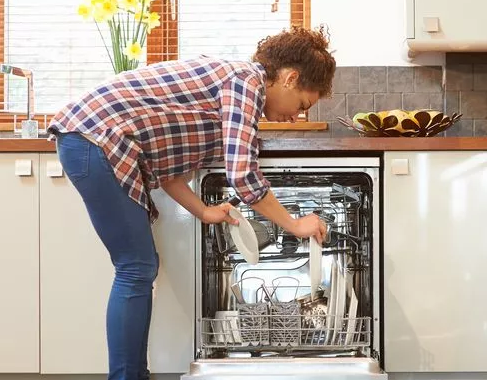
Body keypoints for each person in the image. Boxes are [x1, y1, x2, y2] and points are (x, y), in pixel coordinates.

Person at [46, 25, 335, 380]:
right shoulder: (245, 82)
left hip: (93, 141)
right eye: (302, 105)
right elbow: (242, 176)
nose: (296, 116)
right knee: (136, 268)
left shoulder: (234, 91)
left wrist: (202, 210)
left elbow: (170, 167)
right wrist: (295, 224)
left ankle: (134, 374)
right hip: (94, 139)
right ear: (290, 78)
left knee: (140, 268)